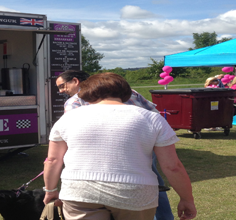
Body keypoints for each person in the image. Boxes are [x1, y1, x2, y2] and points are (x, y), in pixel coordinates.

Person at [44, 72, 196, 220]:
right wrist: (187, 199)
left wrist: (50, 190)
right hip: (134, 194)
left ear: (87, 92)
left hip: (79, 192)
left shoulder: (68, 117)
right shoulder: (152, 118)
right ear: (126, 92)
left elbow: (52, 160)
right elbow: (172, 166)